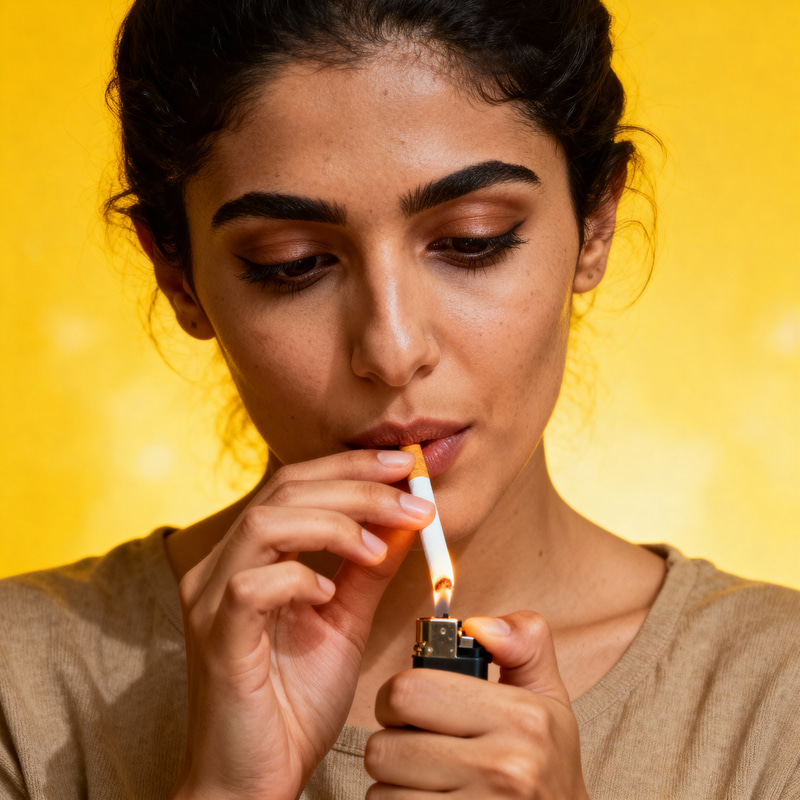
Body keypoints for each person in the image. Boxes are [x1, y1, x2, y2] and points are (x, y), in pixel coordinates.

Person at [1, 0, 799, 797]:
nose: (391, 351)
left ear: (595, 224)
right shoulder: (25, 687)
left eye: (472, 241)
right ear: (179, 279)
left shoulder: (775, 701)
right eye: (292, 263)